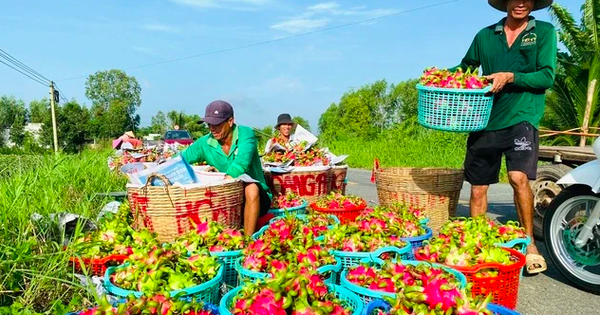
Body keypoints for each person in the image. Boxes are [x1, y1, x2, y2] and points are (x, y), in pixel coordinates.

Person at [453, 0, 557, 274]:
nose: (521, 3)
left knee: (518, 177)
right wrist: (438, 77)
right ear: (506, 2)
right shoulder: (486, 36)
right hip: (484, 119)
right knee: (478, 188)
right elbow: (466, 66)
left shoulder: (544, 32)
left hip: (522, 115)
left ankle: (529, 244)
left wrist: (511, 77)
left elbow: (546, 76)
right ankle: (477, 244)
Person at [180, 100, 272, 235]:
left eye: (217, 124)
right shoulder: (205, 142)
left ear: (230, 121)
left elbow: (241, 164)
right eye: (209, 124)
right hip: (226, 198)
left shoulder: (245, 134)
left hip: (256, 198)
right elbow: (181, 159)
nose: (212, 128)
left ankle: (248, 242)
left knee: (251, 187)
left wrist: (222, 182)